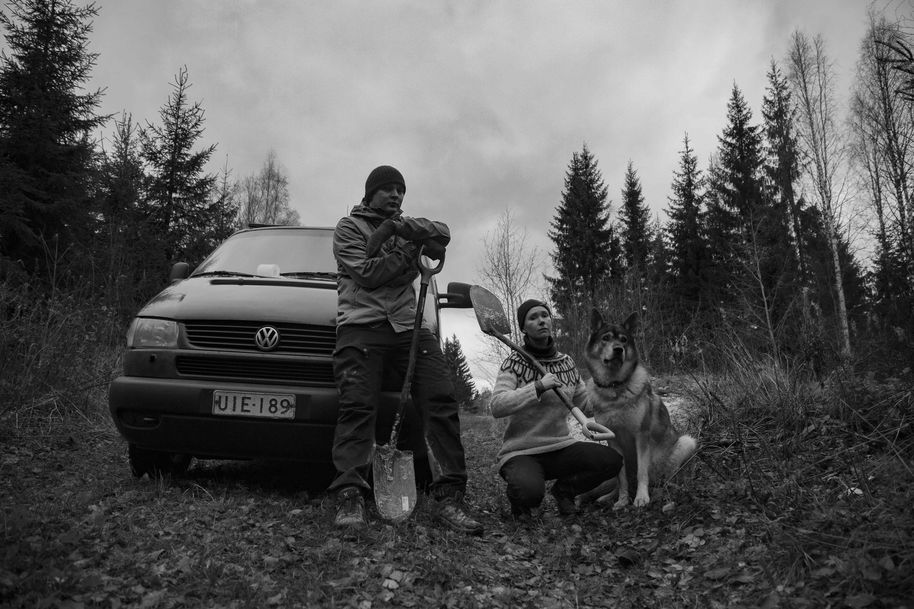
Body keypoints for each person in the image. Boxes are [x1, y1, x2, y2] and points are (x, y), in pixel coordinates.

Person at [328, 164, 483, 535]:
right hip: (361, 327)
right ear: (370, 193)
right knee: (357, 407)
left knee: (441, 398)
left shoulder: (408, 225)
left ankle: (450, 497)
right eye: (388, 189)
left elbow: (443, 234)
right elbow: (367, 272)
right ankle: (350, 494)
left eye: (400, 190)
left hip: (407, 327)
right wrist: (408, 249)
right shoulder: (347, 228)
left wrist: (415, 231)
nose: (396, 195)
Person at [490, 299, 623, 520]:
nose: (541, 320)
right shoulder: (514, 363)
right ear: (523, 328)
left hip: (560, 446)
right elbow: (497, 405)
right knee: (529, 492)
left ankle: (564, 492)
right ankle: (521, 503)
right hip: (521, 452)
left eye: (544, 315)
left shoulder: (566, 363)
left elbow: (585, 404)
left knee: (610, 460)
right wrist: (538, 387)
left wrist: (609, 388)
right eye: (533, 318)